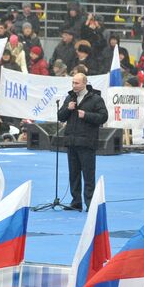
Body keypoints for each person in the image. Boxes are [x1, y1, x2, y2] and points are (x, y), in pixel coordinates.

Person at [56, 71, 106, 210]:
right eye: (73, 82)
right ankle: (76, 202)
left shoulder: (95, 98)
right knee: (74, 174)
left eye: (77, 83)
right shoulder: (70, 98)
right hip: (72, 141)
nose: (74, 85)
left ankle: (90, 203)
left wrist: (87, 115)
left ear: (85, 83)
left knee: (88, 175)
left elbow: (103, 117)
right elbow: (60, 116)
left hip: (87, 142)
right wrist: (68, 108)